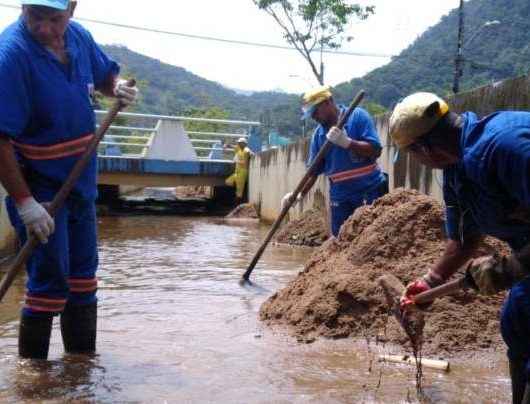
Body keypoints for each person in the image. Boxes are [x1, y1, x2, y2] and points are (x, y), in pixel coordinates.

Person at [0, 0, 138, 360]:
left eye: (55, 19)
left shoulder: (78, 37)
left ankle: (80, 373)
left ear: (72, 10)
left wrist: (118, 87)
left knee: (82, 279)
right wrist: (25, 204)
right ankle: (35, 383)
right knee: (49, 282)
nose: (45, 28)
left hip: (80, 182)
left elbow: (105, 78)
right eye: (35, 17)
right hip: (39, 187)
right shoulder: (10, 56)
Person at [389, 92, 530, 404]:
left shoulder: (506, 148)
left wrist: (513, 267)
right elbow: (465, 240)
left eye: (413, 155)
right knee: (517, 323)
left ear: (426, 148)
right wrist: (430, 282)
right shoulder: (456, 172)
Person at [282, 85, 388, 237]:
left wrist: (348, 143)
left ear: (328, 102)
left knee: (371, 237)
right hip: (340, 196)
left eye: (315, 111)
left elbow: (376, 150)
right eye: (311, 114)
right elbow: (313, 172)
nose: (314, 117)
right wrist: (298, 194)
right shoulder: (319, 136)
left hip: (368, 190)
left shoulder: (357, 117)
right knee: (341, 240)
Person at [225, 137, 254, 204]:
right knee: (228, 181)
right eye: (238, 143)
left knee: (239, 189)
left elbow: (250, 153)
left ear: (244, 144)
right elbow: (233, 147)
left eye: (240, 143)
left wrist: (237, 161)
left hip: (243, 171)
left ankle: (238, 202)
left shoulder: (246, 150)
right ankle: (238, 198)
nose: (238, 144)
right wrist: (227, 145)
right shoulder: (239, 149)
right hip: (237, 172)